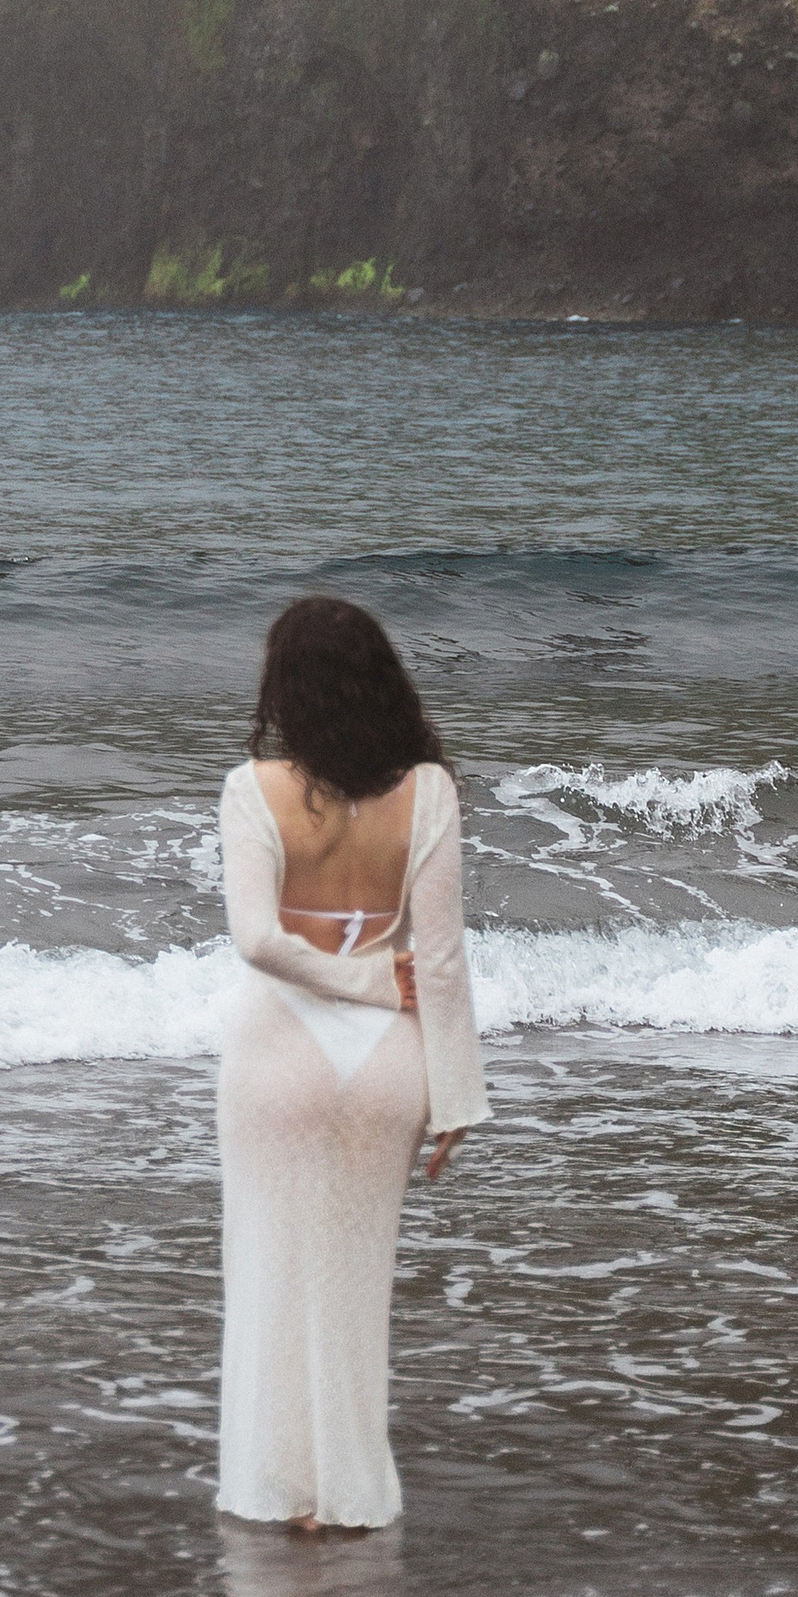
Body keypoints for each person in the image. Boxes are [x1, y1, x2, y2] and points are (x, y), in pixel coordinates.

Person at [216, 595, 489, 1532]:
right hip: (388, 1061)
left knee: (267, 1271)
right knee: (353, 1287)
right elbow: (442, 957)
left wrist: (352, 984)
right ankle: (350, 1499)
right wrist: (456, 1096)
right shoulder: (430, 791)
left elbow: (256, 940)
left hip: (278, 1047)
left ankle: (274, 1491)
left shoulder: (253, 790)